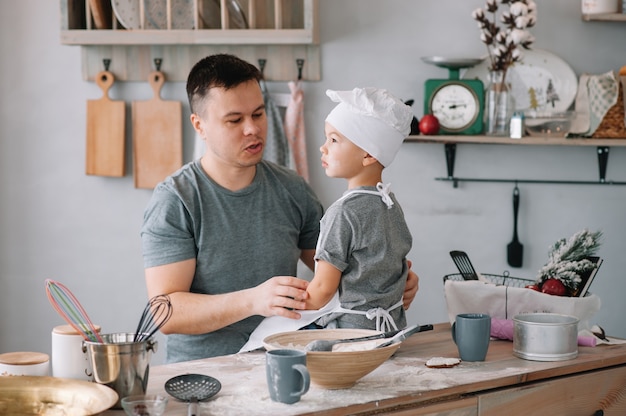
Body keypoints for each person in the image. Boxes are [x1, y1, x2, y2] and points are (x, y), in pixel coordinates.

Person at [140, 54, 419, 363]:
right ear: (199, 125)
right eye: (235, 120)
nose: (252, 129)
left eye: (258, 114)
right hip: (203, 373)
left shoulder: (292, 189)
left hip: (283, 362)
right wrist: (253, 300)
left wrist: (387, 281)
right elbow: (165, 314)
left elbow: (340, 268)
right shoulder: (175, 200)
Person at [303, 87, 414, 332]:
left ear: (367, 155)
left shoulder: (342, 213)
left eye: (333, 140)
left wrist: (285, 304)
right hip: (391, 330)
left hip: (350, 334)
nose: (323, 148)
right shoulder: (390, 205)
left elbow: (321, 292)